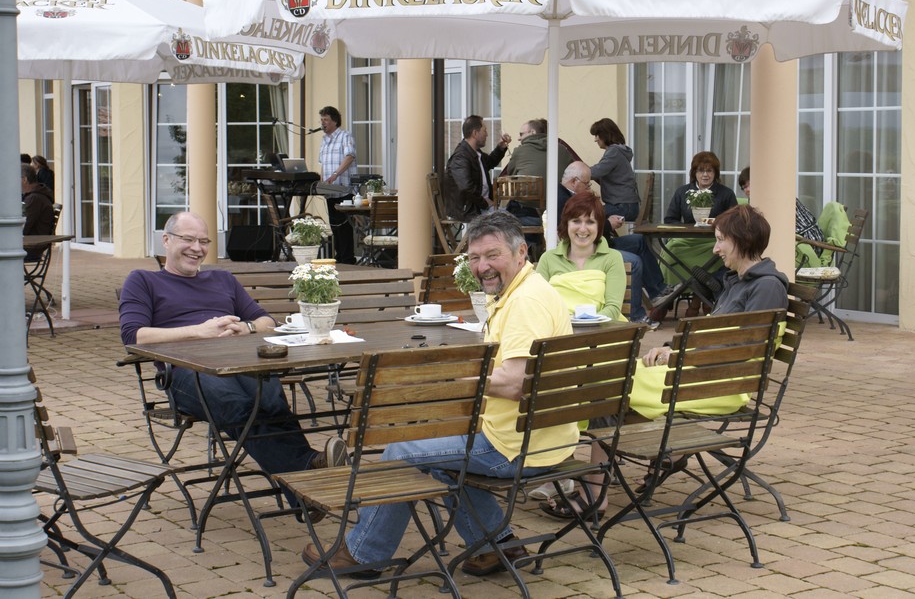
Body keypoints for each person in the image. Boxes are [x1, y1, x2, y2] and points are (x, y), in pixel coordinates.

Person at [300, 211, 575, 578]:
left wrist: (454, 380)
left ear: (521, 252)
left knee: (402, 451)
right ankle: (495, 546)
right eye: (475, 257)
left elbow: (514, 384)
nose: (482, 266)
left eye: (492, 255)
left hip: (514, 446)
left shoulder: (525, 302)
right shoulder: (528, 290)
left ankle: (364, 554)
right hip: (542, 437)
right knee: (438, 451)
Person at [542, 205, 789, 520]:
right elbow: (713, 333)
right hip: (701, 372)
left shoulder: (766, 286)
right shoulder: (738, 281)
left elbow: (744, 349)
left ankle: (594, 492)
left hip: (722, 383)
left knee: (608, 387)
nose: (715, 249)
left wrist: (680, 355)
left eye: (720, 240)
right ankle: (648, 461)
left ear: (741, 240)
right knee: (604, 377)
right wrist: (672, 348)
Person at [118, 212, 341, 511]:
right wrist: (199, 331)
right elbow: (133, 336)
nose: (197, 248)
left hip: (241, 362)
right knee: (238, 406)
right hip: (187, 371)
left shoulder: (222, 278)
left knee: (271, 400)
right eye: (188, 239)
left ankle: (305, 498)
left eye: (203, 241)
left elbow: (266, 321)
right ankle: (311, 467)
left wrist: (247, 327)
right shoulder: (143, 281)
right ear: (166, 240)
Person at [558, 162, 672, 323]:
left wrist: (606, 220)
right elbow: (581, 230)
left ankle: (657, 292)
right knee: (634, 262)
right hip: (591, 248)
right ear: (574, 182)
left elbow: (591, 221)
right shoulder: (562, 199)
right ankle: (635, 316)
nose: (589, 187)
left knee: (639, 241)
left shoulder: (572, 195)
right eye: (587, 184)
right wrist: (608, 224)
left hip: (602, 241)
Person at [661, 151, 740, 317]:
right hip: (686, 241)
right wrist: (688, 228)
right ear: (694, 173)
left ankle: (700, 296)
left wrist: (717, 226)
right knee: (671, 250)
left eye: (709, 170)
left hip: (713, 242)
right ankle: (672, 290)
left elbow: (735, 222)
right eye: (701, 170)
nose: (705, 175)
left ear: (715, 173)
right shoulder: (682, 192)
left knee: (724, 252)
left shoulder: (726, 193)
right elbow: (670, 220)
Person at [538, 191, 626, 321]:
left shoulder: (613, 258)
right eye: (576, 221)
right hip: (557, 329)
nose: (583, 229)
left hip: (601, 329)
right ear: (567, 224)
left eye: (590, 222)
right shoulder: (548, 259)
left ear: (599, 225)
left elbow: (613, 308)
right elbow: (538, 304)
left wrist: (584, 323)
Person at [739, 166, 825, 255]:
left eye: (749, 184)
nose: (746, 190)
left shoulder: (774, 195)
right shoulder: (756, 198)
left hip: (807, 241)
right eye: (744, 187)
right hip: (793, 239)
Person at [443, 115, 511, 221]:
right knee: (509, 221)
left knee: (514, 216)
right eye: (484, 130)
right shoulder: (460, 157)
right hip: (470, 209)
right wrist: (485, 203)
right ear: (475, 133)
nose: (487, 134)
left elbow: (490, 162)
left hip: (481, 206)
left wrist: (501, 147)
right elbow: (466, 187)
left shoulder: (475, 152)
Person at [317, 106, 358, 264]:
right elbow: (323, 164)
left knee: (344, 226)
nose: (323, 123)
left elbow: (350, 157)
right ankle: (340, 258)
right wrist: (322, 182)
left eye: (326, 120)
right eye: (321, 120)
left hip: (344, 188)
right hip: (330, 190)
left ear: (334, 121)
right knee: (334, 225)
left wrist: (335, 174)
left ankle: (348, 260)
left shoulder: (345, 136)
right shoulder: (324, 140)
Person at [588, 118, 641, 221]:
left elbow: (595, 172)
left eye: (597, 135)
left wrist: (577, 172)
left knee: (587, 215)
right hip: (628, 206)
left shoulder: (614, 151)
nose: (595, 140)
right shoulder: (618, 151)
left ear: (605, 135)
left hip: (623, 207)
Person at [506, 118, 573, 198]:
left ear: (533, 132)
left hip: (528, 202)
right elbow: (573, 172)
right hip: (557, 201)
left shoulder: (519, 151)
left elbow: (512, 175)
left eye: (521, 134)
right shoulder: (561, 149)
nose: (518, 138)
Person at [22, 163, 55, 259]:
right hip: (32, 244)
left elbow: (23, 227)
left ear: (24, 179)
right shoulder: (36, 195)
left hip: (31, 247)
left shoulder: (34, 198)